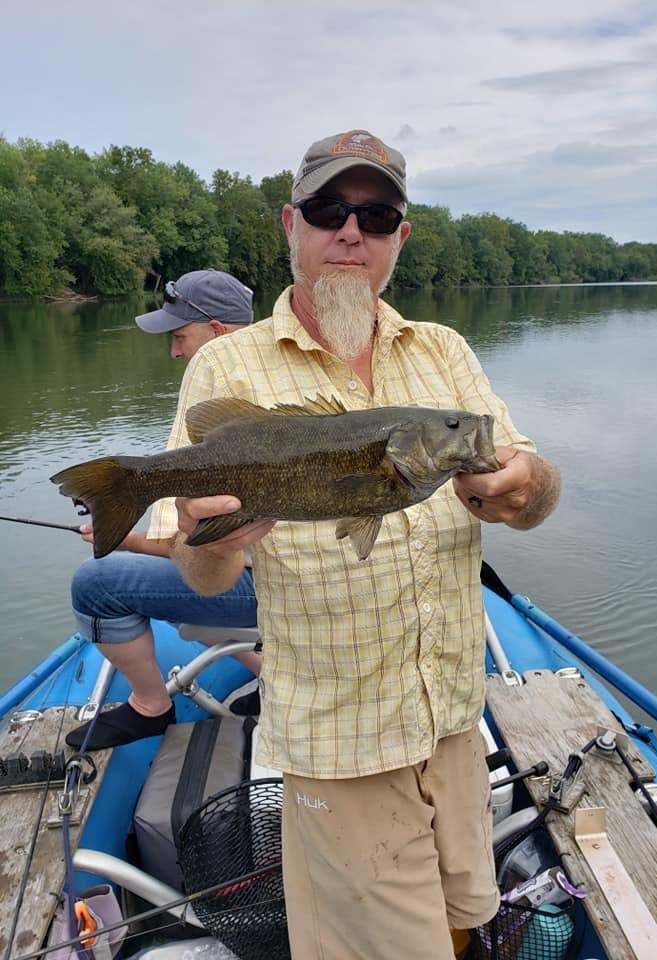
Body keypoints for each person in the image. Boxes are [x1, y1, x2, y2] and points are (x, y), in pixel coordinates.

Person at [138, 130, 561, 959]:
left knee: (463, 919)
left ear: (400, 237)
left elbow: (530, 486)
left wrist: (527, 488)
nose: (351, 232)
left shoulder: (445, 352)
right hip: (339, 744)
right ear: (289, 225)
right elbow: (198, 567)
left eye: (376, 215)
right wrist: (205, 532)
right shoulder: (228, 371)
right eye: (330, 210)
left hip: (453, 725)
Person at [66, 269, 261, 750]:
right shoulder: (265, 391)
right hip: (287, 573)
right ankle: (275, 672)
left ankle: (151, 707)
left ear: (217, 333)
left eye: (179, 336)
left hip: (270, 582)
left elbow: (191, 552)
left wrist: (117, 536)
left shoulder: (215, 392)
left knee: (96, 584)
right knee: (169, 586)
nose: (174, 352)